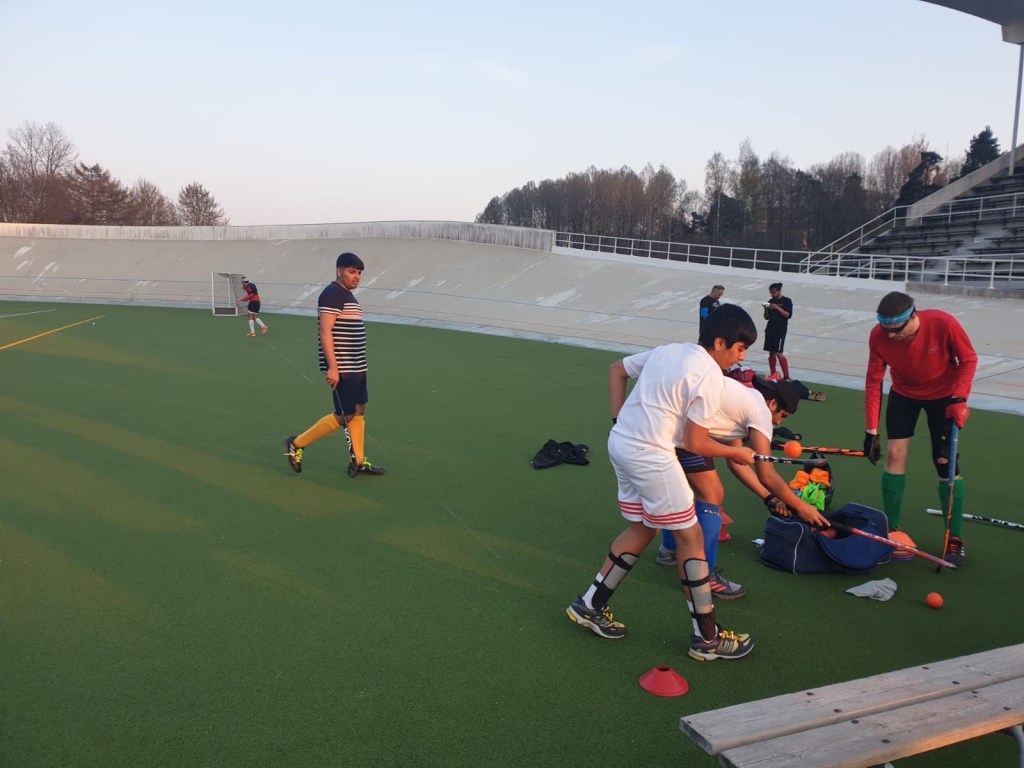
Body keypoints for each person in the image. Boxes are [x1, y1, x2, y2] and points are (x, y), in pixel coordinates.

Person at [566, 304, 759, 662]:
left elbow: (616, 370)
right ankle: (707, 639)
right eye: (740, 348)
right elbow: (697, 443)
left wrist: (618, 418)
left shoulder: (669, 350)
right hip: (652, 455)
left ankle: (589, 604)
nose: (742, 357)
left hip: (621, 443)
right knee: (691, 538)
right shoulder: (709, 376)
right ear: (720, 342)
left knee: (642, 527)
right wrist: (736, 452)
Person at [655, 375, 829, 598]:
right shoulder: (760, 412)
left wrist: (770, 498)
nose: (778, 422)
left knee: (689, 488)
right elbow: (767, 475)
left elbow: (736, 462)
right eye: (782, 415)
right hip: (679, 430)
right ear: (773, 403)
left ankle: (670, 550)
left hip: (666, 424)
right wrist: (802, 507)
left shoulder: (746, 402)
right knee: (712, 495)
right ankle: (703, 577)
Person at [862, 291, 977, 565]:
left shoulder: (943, 323)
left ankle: (955, 538)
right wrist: (871, 431)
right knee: (894, 455)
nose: (891, 336)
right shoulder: (879, 336)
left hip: (945, 396)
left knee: (945, 462)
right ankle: (893, 531)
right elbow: (873, 382)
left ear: (913, 317)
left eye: (896, 330)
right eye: (886, 330)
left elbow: (969, 360)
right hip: (904, 395)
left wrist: (960, 398)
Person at [284, 252, 385, 477]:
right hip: (343, 367)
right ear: (339, 271)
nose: (356, 276)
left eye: (359, 273)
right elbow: (325, 331)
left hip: (357, 366)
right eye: (352, 272)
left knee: (359, 410)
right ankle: (297, 443)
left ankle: (359, 461)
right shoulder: (333, 293)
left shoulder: (347, 295)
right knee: (345, 414)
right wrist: (332, 367)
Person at [763, 282, 792, 379]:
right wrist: (765, 309)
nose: (772, 294)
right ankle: (773, 374)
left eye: (774, 292)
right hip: (770, 328)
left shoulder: (786, 301)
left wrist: (777, 307)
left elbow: (788, 315)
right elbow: (766, 317)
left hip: (780, 329)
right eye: (771, 292)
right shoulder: (771, 301)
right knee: (771, 352)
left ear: (779, 291)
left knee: (779, 352)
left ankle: (786, 376)